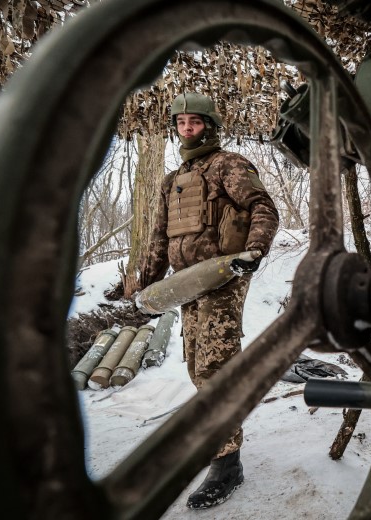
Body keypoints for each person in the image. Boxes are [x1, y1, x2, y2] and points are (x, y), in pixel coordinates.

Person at [138, 92, 279, 509]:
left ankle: (227, 462)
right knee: (197, 364)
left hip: (223, 276)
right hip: (188, 284)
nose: (187, 129)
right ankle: (219, 443)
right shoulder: (172, 180)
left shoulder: (227, 165)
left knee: (215, 366)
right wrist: (141, 285)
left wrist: (253, 251)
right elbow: (159, 238)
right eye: (180, 122)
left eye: (194, 122)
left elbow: (263, 207)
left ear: (210, 125)